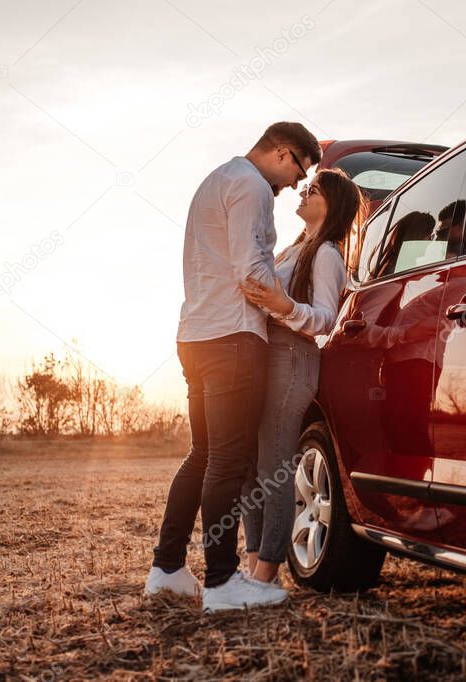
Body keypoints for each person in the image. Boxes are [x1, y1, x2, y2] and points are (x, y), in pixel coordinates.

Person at [144, 122, 321, 614]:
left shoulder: (216, 179)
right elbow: (251, 273)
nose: (291, 187)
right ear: (283, 152)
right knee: (228, 459)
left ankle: (167, 569)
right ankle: (222, 584)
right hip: (234, 337)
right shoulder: (252, 186)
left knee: (201, 455)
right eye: (298, 171)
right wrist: (291, 309)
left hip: (195, 335)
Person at [238, 168, 366, 585]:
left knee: (275, 465)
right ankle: (255, 557)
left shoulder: (327, 253)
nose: (305, 192)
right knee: (250, 465)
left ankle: (267, 571)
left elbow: (327, 321)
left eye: (314, 190)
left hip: (293, 361)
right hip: (266, 358)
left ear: (331, 205)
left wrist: (282, 304)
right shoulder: (294, 249)